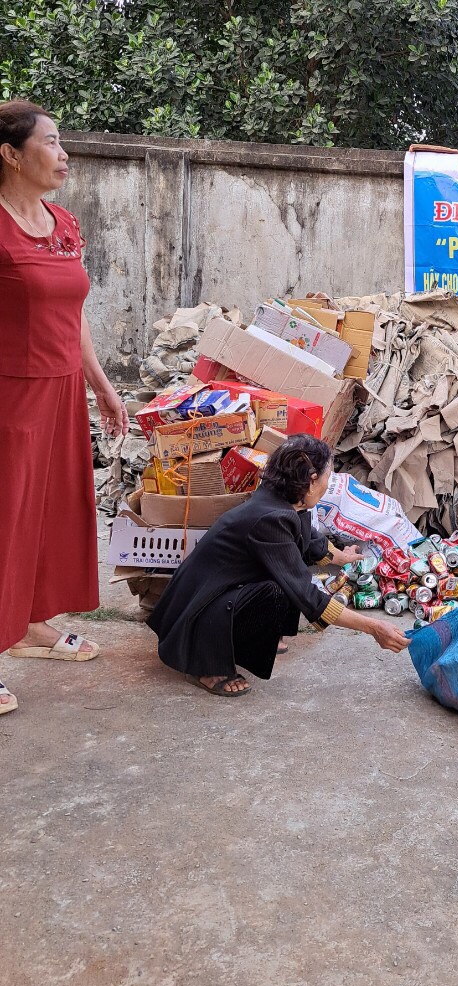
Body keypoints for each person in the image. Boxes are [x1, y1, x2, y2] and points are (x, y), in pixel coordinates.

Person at [0, 100, 129, 718]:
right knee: (6, 519)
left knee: (48, 515)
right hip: (9, 394)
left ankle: (27, 625)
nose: (64, 153)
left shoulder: (63, 224)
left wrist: (100, 385)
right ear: (11, 155)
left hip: (60, 392)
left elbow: (72, 316)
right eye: (50, 143)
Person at [148, 435, 410, 696]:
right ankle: (206, 663)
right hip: (197, 611)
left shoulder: (277, 499)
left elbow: (304, 538)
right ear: (311, 481)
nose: (328, 486)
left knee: (284, 578)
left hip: (207, 592)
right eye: (327, 479)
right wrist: (374, 627)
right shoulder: (270, 518)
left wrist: (339, 556)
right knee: (283, 586)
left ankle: (256, 639)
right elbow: (308, 595)